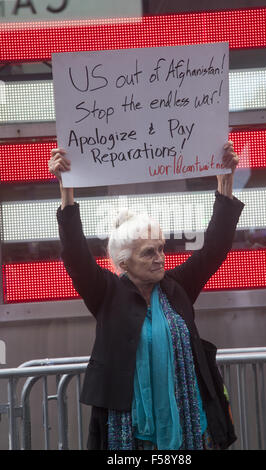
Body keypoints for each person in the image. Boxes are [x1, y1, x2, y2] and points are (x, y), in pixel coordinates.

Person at [48, 142, 244, 450]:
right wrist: (67, 191)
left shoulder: (176, 286)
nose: (160, 258)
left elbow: (215, 247)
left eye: (162, 248)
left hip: (191, 429)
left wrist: (225, 184)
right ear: (123, 262)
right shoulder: (106, 293)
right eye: (148, 252)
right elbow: (75, 254)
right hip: (131, 436)